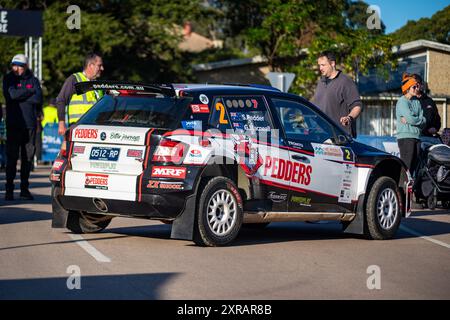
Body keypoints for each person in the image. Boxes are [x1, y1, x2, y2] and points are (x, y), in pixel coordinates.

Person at [2, 54, 42, 200]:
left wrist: (22, 95)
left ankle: (24, 189)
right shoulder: (8, 79)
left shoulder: (33, 80)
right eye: (14, 65)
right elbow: (11, 95)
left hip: (29, 126)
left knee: (27, 158)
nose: (16, 68)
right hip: (13, 125)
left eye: (19, 65)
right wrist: (29, 92)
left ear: (25, 67)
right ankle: (9, 190)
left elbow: (38, 99)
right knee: (11, 158)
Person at [312, 51, 362, 138]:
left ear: (332, 63)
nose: (320, 68)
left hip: (340, 137)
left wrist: (349, 118)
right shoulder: (321, 82)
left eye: (323, 65)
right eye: (319, 65)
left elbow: (357, 106)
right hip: (320, 135)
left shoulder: (345, 81)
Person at [56, 52, 104, 135]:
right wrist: (61, 124)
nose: (102, 68)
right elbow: (61, 100)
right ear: (90, 65)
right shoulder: (75, 79)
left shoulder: (98, 85)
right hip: (78, 129)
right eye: (99, 65)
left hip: (96, 129)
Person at [395, 73, 426, 177]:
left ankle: (410, 191)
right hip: (406, 138)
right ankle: (401, 191)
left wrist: (414, 120)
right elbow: (411, 119)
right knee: (406, 168)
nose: (417, 88)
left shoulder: (417, 102)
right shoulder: (402, 101)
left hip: (417, 137)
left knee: (414, 168)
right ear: (408, 87)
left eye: (417, 86)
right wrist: (415, 120)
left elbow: (423, 120)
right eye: (414, 86)